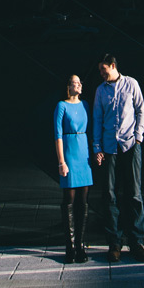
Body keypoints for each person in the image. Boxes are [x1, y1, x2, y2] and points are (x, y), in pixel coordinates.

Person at [92, 54, 144, 263]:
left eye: (103, 69)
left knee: (134, 193)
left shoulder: (131, 84)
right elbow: (97, 118)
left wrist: (138, 138)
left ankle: (136, 242)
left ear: (112, 66)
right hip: (109, 148)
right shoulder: (100, 91)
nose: (101, 73)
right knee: (109, 194)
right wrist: (97, 146)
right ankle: (114, 243)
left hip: (130, 145)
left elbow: (141, 110)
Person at [54, 74, 93, 263]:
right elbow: (58, 135)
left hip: (83, 151)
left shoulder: (85, 105)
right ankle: (69, 247)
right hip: (69, 153)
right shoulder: (61, 106)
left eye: (80, 82)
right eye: (75, 83)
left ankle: (81, 245)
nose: (78, 85)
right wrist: (61, 161)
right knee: (69, 199)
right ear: (68, 86)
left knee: (83, 200)